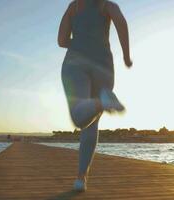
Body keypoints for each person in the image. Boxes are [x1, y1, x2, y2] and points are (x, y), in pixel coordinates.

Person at [58, 0, 132, 192]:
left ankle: (102, 102)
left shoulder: (74, 7)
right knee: (91, 124)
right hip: (103, 66)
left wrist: (81, 40)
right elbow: (121, 23)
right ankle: (81, 178)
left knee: (80, 119)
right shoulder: (107, 6)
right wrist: (126, 55)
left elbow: (62, 41)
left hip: (75, 62)